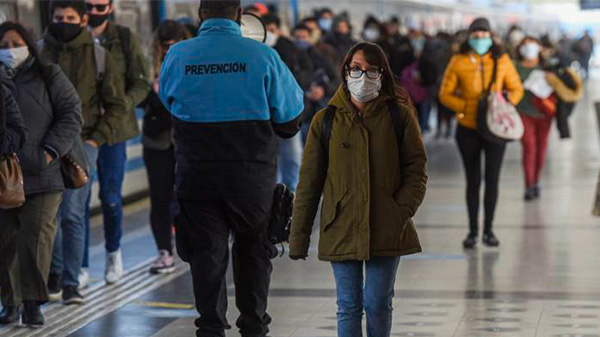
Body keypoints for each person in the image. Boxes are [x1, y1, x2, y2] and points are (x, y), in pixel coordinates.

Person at [158, 1, 304, 336]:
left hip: (197, 176)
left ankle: (210, 326)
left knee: (206, 255)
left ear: (200, 16)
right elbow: (290, 118)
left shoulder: (178, 55)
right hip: (251, 178)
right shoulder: (263, 55)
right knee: (254, 251)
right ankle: (253, 325)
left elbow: (168, 102)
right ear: (239, 16)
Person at [289, 42, 427, 337]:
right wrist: (298, 237)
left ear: (382, 74)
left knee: (377, 302)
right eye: (356, 69)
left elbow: (416, 169)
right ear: (345, 72)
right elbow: (309, 183)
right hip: (341, 225)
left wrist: (400, 210)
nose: (363, 76)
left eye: (371, 70)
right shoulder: (325, 120)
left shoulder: (399, 116)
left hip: (387, 224)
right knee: (349, 305)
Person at [40, 0, 127, 304]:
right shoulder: (38, 52)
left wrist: (95, 141)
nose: (63, 22)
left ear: (82, 19)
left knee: (72, 214)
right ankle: (55, 271)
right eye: (58, 17)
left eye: (70, 17)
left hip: (82, 144)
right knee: (46, 215)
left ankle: (70, 281)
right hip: (43, 146)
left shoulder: (99, 56)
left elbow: (117, 105)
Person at [0, 22, 82, 327]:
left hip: (42, 172)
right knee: (6, 242)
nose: (9, 51)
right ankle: (11, 301)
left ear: (29, 44)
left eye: (15, 43)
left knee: (36, 240)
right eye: (3, 45)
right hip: (4, 175)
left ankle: (33, 303)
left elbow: (72, 114)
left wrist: (49, 151)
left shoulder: (50, 75)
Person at [82, 0, 151, 286]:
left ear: (111, 7)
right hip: (81, 131)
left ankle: (114, 252)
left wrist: (122, 104)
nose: (94, 11)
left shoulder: (124, 39)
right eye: (89, 6)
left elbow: (141, 82)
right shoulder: (73, 38)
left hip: (115, 131)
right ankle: (80, 264)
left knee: (110, 198)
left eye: (100, 6)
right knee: (77, 202)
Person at [439, 17, 523, 249]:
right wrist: (467, 107)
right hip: (468, 129)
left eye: (485, 35)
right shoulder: (458, 61)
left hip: (495, 127)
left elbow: (517, 89)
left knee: (492, 179)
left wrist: (505, 101)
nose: (481, 39)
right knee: (473, 180)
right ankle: (473, 231)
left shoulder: (502, 60)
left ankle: (489, 230)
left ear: (491, 36)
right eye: (476, 35)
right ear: (469, 36)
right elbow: (445, 93)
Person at [141, 20, 188, 274]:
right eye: (165, 46)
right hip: (156, 139)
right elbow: (137, 96)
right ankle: (164, 252)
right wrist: (154, 93)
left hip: (187, 139)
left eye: (175, 45)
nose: (170, 50)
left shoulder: (194, 60)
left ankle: (188, 244)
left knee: (186, 195)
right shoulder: (147, 67)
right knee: (159, 197)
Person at [263, 13, 311, 193]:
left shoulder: (288, 48)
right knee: (269, 161)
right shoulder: (254, 50)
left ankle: (293, 198)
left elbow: (300, 75)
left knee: (292, 158)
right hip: (264, 117)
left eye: (272, 30)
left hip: (286, 114)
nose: (268, 33)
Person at [514, 37, 553, 201]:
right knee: (529, 147)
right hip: (523, 113)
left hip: (544, 114)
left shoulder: (547, 66)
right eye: (525, 45)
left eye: (532, 44)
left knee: (541, 148)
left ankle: (536, 181)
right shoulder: (514, 67)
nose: (529, 48)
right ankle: (528, 184)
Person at [293, 23, 340, 142]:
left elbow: (336, 80)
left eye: (304, 37)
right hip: (299, 113)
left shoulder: (320, 57)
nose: (301, 40)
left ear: (310, 37)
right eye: (298, 37)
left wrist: (323, 90)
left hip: (318, 109)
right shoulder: (290, 58)